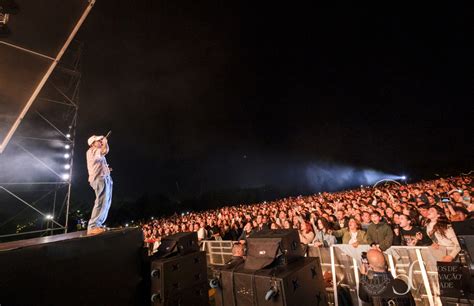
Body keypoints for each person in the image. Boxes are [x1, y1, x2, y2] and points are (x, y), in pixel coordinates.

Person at [86, 135, 112, 235]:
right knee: (101, 201)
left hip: (104, 177)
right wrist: (105, 141)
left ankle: (98, 224)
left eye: (101, 140)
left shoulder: (97, 151)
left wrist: (107, 169)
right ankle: (93, 226)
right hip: (99, 179)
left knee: (106, 202)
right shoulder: (92, 150)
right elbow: (105, 150)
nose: (101, 142)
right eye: (99, 141)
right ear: (92, 143)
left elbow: (100, 161)